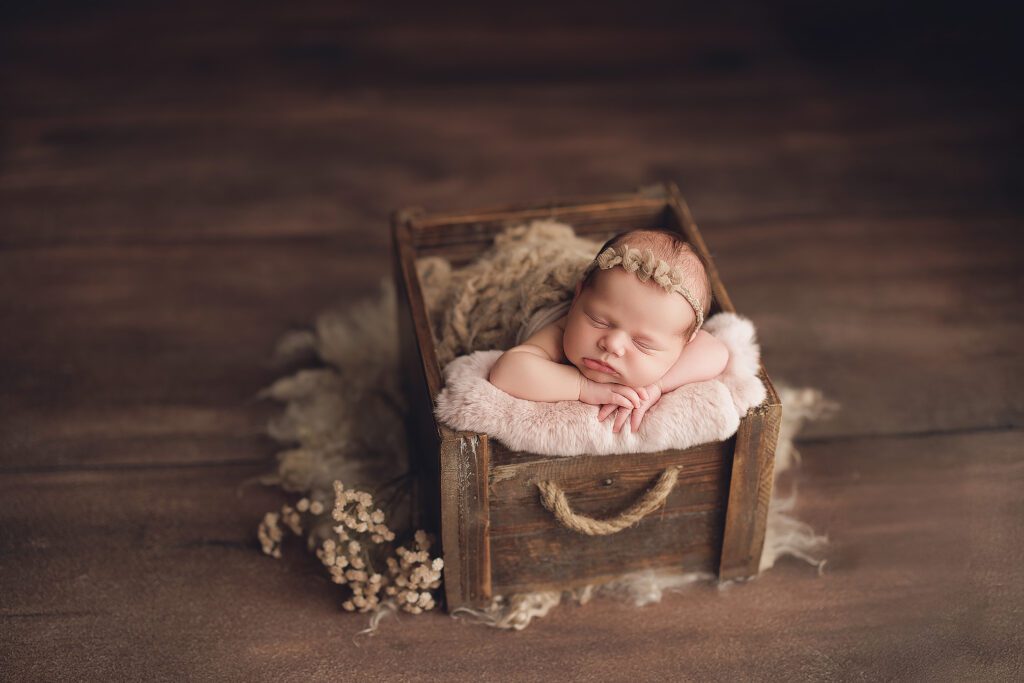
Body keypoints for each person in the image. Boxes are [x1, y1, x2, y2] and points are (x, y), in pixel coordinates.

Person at [487, 229, 730, 434]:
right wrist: (584, 387)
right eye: (599, 321)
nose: (612, 344)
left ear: (685, 344)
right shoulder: (560, 329)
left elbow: (716, 351)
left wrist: (656, 386)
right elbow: (507, 372)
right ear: (578, 298)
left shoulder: (681, 340)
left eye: (643, 343)